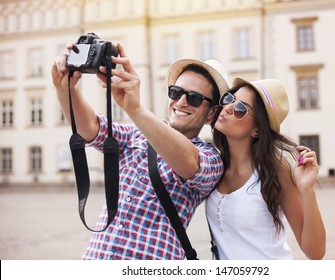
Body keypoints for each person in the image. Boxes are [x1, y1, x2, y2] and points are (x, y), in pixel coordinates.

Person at [51, 42, 229, 259]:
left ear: (211, 114)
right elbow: (90, 128)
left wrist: (135, 109)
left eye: (194, 98)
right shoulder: (137, 134)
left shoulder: (211, 158)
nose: (181, 102)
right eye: (176, 92)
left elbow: (189, 163)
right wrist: (65, 88)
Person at [206, 77, 326, 260]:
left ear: (257, 130)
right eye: (230, 99)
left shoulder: (276, 170)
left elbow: (315, 252)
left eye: (241, 109)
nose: (228, 108)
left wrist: (307, 190)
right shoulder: (214, 165)